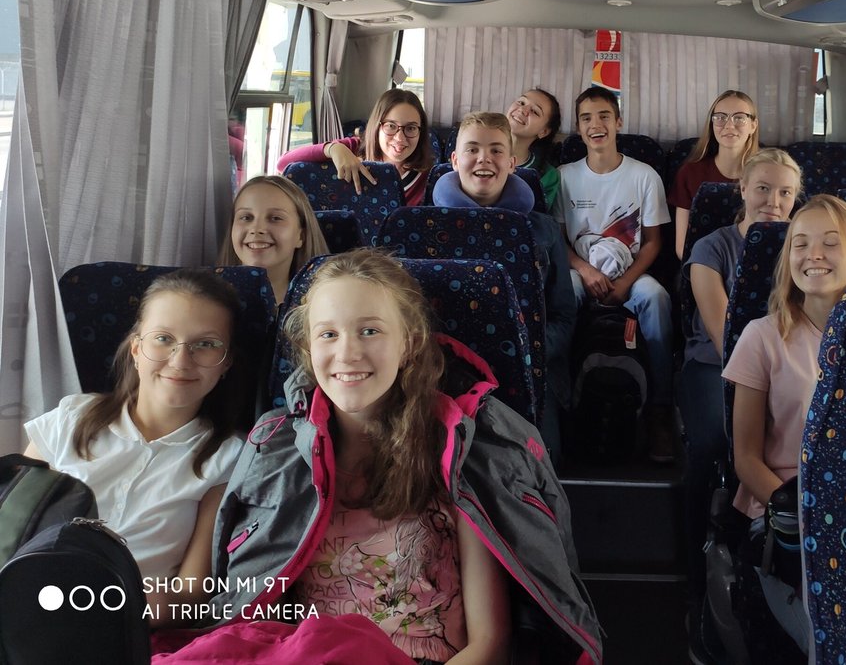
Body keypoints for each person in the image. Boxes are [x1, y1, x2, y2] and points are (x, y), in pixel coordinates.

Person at [202, 250, 603, 664]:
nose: (348, 353)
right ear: (307, 347)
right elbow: (251, 612)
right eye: (328, 334)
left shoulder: (461, 451)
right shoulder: (275, 447)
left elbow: (490, 644)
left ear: (409, 344)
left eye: (370, 331)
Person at [24, 270, 246, 623]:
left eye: (205, 344)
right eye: (163, 339)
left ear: (227, 362)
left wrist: (105, 606)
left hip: (131, 621)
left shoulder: (227, 458)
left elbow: (191, 593)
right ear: (136, 348)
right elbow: (11, 523)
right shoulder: (70, 419)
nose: (180, 360)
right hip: (26, 597)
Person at [722, 194, 846, 653]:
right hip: (785, 512)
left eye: (831, 242)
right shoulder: (763, 337)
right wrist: (799, 512)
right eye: (801, 244)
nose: (814, 255)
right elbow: (746, 458)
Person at [679, 147, 801, 657]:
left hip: (794, 368)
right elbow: (722, 335)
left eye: (785, 192)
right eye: (763, 188)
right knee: (713, 444)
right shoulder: (713, 247)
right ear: (743, 190)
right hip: (717, 365)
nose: (773, 201)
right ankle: (696, 570)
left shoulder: (805, 249)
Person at [433, 111, 576, 460]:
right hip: (442, 369)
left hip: (528, 368)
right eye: (472, 149)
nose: (484, 158)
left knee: (541, 461)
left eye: (496, 150)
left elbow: (563, 315)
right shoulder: (426, 227)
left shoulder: (543, 231)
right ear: (455, 160)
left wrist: (528, 353)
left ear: (512, 163)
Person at [555, 86, 675, 462]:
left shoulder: (644, 176)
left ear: (618, 122)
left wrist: (625, 282)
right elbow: (559, 241)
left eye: (604, 116)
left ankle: (659, 409)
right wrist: (586, 270)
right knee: (563, 292)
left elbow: (653, 242)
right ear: (578, 128)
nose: (596, 125)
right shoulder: (564, 176)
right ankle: (561, 402)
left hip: (630, 272)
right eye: (587, 118)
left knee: (656, 298)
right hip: (581, 270)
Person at [277, 88, 435, 206]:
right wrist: (332, 149)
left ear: (421, 132)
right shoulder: (353, 148)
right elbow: (283, 163)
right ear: (377, 126)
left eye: (411, 128)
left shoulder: (428, 177)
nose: (400, 138)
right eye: (391, 126)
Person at [670, 90, 761, 260]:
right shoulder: (690, 173)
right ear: (712, 124)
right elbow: (682, 248)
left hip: (753, 263)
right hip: (699, 263)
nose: (729, 125)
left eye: (739, 118)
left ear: (753, 125)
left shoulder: (766, 174)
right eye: (720, 117)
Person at [218, 175, 330, 305]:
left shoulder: (324, 305)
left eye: (275, 218)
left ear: (301, 236)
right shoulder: (207, 301)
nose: (256, 229)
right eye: (246, 217)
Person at [506, 88, 563, 211]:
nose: (523, 110)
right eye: (521, 102)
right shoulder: (477, 151)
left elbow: (536, 217)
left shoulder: (547, 175)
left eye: (535, 111)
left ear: (544, 132)